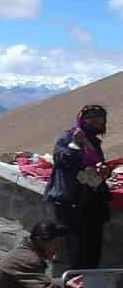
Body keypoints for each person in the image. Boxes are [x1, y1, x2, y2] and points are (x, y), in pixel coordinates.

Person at [45, 104, 112, 272]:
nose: (96, 123)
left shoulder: (93, 142)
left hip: (92, 203)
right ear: (82, 120)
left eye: (99, 119)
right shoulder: (68, 137)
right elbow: (62, 161)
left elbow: (93, 165)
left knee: (93, 250)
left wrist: (103, 170)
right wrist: (75, 144)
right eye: (91, 119)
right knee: (77, 252)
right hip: (73, 204)